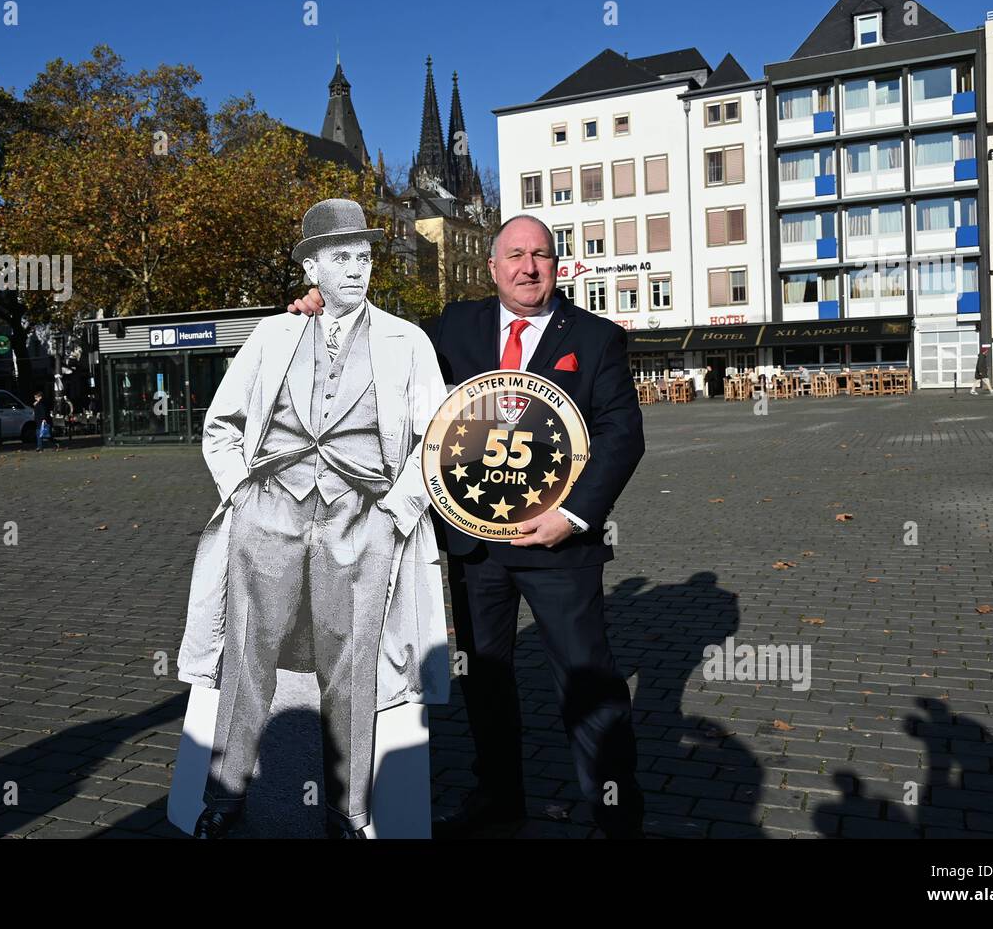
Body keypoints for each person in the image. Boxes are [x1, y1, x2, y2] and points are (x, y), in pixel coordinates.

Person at [290, 214, 646, 838]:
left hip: (559, 543)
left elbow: (622, 436)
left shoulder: (594, 339)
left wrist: (572, 515)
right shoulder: (456, 325)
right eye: (514, 255)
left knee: (587, 678)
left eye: (540, 255)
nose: (527, 267)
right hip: (473, 544)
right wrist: (330, 302)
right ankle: (499, 795)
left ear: (556, 265)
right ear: (492, 266)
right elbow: (385, 345)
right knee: (485, 676)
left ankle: (614, 812)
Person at [181, 199, 448, 839]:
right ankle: (224, 795)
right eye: (340, 258)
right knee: (248, 655)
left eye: (363, 258)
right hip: (269, 516)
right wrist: (240, 495)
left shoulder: (406, 341)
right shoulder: (273, 336)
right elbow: (220, 426)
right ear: (311, 266)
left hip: (362, 521)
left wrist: (395, 512)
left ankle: (348, 806)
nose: (356, 271)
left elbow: (438, 436)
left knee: (351, 663)